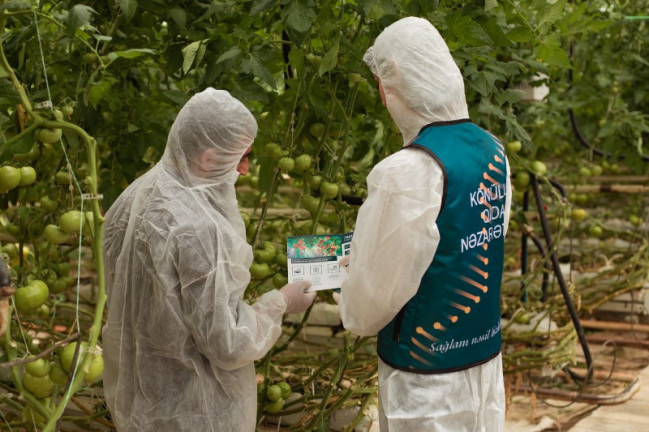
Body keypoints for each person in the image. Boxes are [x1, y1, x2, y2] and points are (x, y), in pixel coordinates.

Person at [101, 88, 316, 431]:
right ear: (208, 158)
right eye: (241, 157)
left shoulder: (132, 199)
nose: (245, 169)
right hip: (196, 410)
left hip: (138, 398)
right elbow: (226, 342)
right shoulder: (199, 228)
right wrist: (279, 303)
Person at [337, 17, 512, 431]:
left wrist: (348, 281)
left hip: (425, 376)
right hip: (482, 356)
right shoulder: (493, 150)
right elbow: (479, 235)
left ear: (393, 84)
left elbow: (375, 296)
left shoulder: (405, 171)